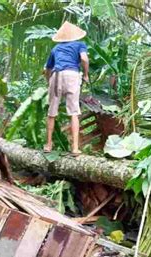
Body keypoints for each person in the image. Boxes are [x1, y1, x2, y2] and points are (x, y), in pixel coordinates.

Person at [43, 21, 89, 156]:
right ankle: (75, 148)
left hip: (56, 76)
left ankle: (48, 145)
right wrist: (85, 74)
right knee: (74, 112)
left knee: (52, 112)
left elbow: (47, 68)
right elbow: (84, 59)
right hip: (72, 75)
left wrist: (48, 81)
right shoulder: (80, 44)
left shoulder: (56, 49)